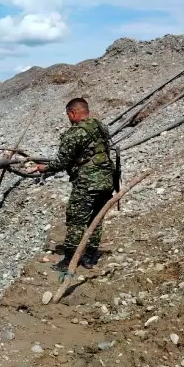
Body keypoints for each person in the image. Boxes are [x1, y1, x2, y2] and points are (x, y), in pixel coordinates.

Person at [27, 98, 115, 271]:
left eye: (68, 115)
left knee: (75, 219)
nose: (68, 118)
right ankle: (90, 257)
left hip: (87, 183)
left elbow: (61, 161)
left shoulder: (74, 133)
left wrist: (43, 168)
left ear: (73, 113)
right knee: (95, 218)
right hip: (107, 180)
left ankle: (68, 260)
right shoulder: (100, 126)